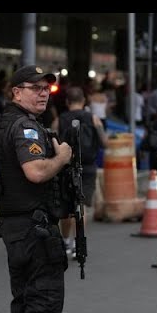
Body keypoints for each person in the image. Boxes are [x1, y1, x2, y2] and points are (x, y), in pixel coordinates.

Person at [0, 65, 72, 313]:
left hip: (16, 228)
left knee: (25, 302)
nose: (43, 94)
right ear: (16, 92)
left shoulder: (4, 123)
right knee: (45, 301)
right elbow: (35, 171)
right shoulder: (25, 127)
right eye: (35, 88)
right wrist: (62, 158)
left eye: (46, 89)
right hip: (33, 229)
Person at [54, 86, 108, 258]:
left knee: (66, 206)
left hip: (65, 168)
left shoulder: (60, 120)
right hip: (88, 167)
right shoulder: (93, 118)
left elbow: (53, 144)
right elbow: (104, 143)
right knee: (80, 206)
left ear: (67, 102)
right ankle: (79, 243)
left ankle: (65, 242)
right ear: (84, 101)